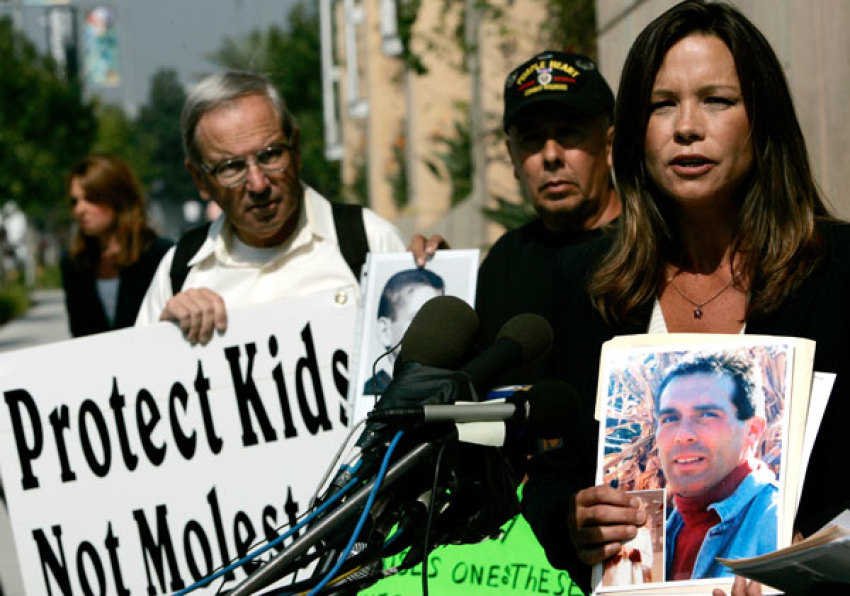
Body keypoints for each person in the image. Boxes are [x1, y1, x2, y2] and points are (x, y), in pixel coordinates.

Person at [520, 2, 850, 594]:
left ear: (763, 119)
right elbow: (551, 475)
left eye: (717, 100)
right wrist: (575, 522)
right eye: (661, 104)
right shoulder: (589, 283)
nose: (686, 126)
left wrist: (815, 559)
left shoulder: (840, 271)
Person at [135, 70, 408, 342]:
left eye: (270, 155)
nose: (257, 184)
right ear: (200, 180)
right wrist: (164, 340)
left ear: (296, 149)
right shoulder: (180, 273)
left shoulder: (367, 243)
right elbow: (136, 375)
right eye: (232, 167)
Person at [475, 50, 620, 382]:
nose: (551, 156)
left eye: (569, 134)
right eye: (532, 140)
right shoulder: (503, 264)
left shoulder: (653, 248)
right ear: (513, 157)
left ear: (610, 144)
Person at [655, 354, 778, 580]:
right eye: (670, 418)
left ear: (752, 431)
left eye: (707, 415)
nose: (683, 436)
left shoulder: (778, 524)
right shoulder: (650, 534)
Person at [61, 155, 173, 337]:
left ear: (117, 197)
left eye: (90, 198)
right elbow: (79, 336)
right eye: (75, 201)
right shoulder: (74, 264)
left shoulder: (160, 254)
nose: (80, 209)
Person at [363, 268, 445, 395]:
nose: (432, 330)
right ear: (384, 331)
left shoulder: (446, 388)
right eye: (417, 319)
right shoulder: (370, 394)